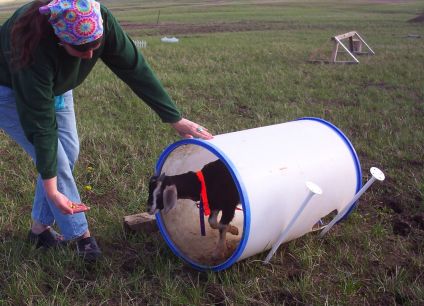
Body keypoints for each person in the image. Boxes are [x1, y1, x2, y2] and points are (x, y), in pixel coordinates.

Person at [0, 0, 213, 261]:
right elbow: (42, 126)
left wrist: (174, 118)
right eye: (81, 48)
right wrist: (53, 190)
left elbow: (134, 68)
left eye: (95, 45)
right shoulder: (28, 45)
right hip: (11, 89)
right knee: (56, 158)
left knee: (69, 151)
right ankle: (81, 237)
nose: (90, 55)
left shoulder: (97, 19)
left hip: (56, 83)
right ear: (59, 39)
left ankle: (38, 232)